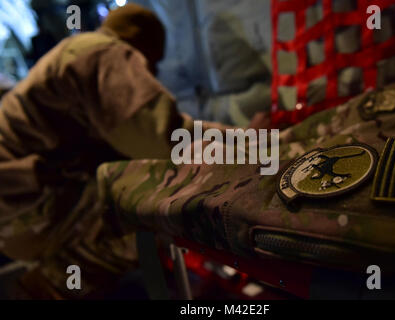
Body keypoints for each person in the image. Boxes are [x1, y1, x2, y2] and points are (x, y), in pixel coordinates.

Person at [0, 3, 268, 299]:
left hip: (19, 200)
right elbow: (167, 142)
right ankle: (50, 289)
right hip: (28, 204)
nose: (151, 75)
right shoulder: (108, 54)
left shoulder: (80, 49)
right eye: (152, 64)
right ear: (143, 47)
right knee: (150, 219)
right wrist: (245, 140)